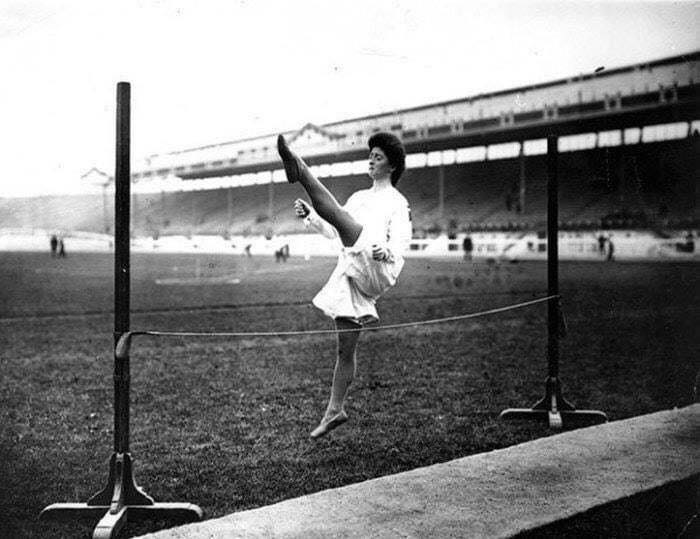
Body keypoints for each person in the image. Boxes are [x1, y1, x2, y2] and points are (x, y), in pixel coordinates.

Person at [277, 132, 411, 439]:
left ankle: (300, 169)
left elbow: (401, 242)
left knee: (340, 215)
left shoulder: (398, 202)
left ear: (392, 166)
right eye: (371, 156)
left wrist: (386, 251)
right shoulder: (360, 198)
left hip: (379, 267)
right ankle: (335, 410)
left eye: (378, 157)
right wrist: (311, 216)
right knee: (344, 351)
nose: (371, 161)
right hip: (353, 272)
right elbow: (337, 230)